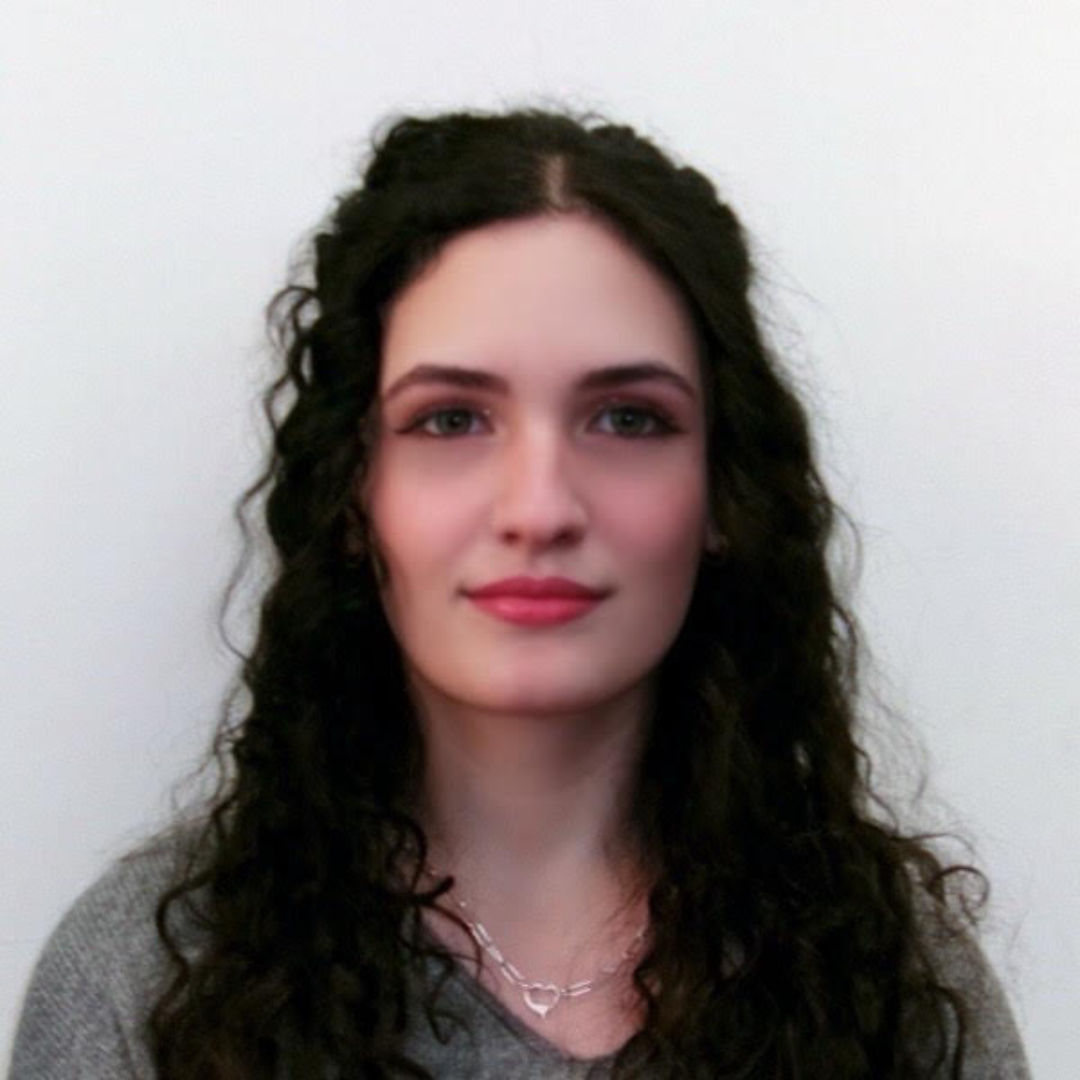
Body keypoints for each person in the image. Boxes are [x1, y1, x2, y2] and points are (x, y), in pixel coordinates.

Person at [9, 106, 1030, 1079]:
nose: (539, 508)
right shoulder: (151, 978)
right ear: (355, 497)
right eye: (451, 420)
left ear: (725, 492)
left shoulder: (887, 981)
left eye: (628, 419)